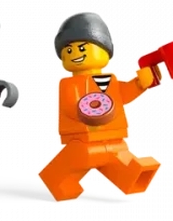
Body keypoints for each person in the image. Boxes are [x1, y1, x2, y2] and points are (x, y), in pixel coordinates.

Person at [39, 12, 159, 201]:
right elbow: (70, 106)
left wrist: (139, 84)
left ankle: (133, 177)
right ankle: (57, 180)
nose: (75, 54)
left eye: (82, 48)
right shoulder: (69, 84)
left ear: (105, 50)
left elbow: (122, 95)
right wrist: (86, 115)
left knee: (117, 155)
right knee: (83, 155)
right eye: (68, 50)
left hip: (113, 136)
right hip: (81, 138)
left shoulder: (110, 80)